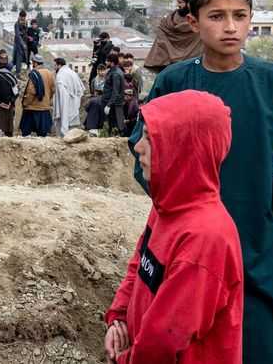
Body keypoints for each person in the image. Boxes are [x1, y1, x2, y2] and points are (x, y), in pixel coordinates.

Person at [128, 0, 273, 360]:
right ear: (193, 22)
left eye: (240, 15)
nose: (230, 27)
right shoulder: (174, 82)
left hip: (257, 242)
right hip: (188, 246)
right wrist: (174, 202)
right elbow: (142, 149)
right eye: (217, 16)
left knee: (260, 345)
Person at [105, 90, 243, 364]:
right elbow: (139, 265)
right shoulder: (166, 205)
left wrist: (123, 361)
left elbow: (162, 341)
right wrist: (119, 317)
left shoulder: (205, 239)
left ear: (183, 148)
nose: (138, 147)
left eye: (150, 138)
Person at [144, 0, 202, 74]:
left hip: (192, 68)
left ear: (189, 4)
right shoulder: (171, 18)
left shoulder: (199, 22)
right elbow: (162, 37)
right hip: (169, 67)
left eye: (180, 2)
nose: (177, 5)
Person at [19, 54, 55, 137]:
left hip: (33, 107)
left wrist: (26, 103)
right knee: (42, 134)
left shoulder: (34, 74)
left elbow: (31, 91)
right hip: (45, 107)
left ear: (35, 63)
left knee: (26, 132)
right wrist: (47, 99)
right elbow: (52, 89)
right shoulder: (49, 73)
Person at [52, 57, 84, 137]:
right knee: (73, 136)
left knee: (63, 137)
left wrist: (62, 111)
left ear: (59, 65)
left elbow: (62, 96)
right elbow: (80, 91)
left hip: (64, 110)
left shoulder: (60, 75)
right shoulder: (73, 73)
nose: (55, 68)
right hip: (74, 109)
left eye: (55, 65)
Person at [0, 51, 17, 137]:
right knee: (8, 127)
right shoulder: (12, 77)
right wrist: (10, 102)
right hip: (9, 106)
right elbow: (16, 93)